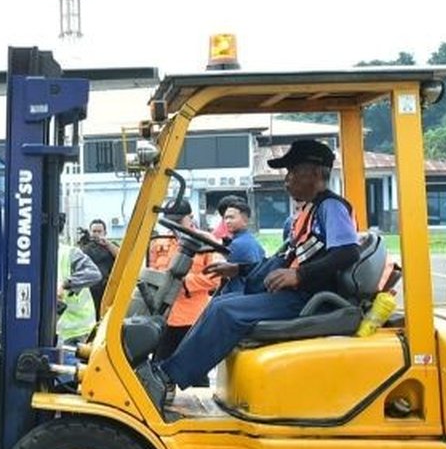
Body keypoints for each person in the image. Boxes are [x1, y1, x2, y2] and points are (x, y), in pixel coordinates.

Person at [153, 140, 358, 400]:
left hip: (310, 299)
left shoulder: (331, 207)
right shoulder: (309, 210)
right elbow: (284, 259)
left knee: (226, 311)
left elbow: (348, 252)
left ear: (316, 173)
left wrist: (299, 275)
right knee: (220, 303)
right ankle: (168, 372)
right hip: (298, 294)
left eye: (292, 172)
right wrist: (238, 269)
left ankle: (167, 378)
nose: (287, 180)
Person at [146, 201, 218, 360]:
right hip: (163, 316)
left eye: (179, 221)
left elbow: (216, 278)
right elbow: (152, 274)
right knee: (158, 363)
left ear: (190, 217)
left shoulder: (206, 242)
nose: (175, 226)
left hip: (192, 317)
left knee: (192, 364)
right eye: (171, 222)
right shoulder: (159, 242)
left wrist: (184, 283)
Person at [207, 200, 267, 292]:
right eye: (225, 218)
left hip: (240, 291)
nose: (227, 221)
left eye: (231, 218)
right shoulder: (251, 240)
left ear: (245, 221)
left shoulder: (238, 244)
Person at [56, 242, 102, 346]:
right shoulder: (36, 258)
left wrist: (65, 284)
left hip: (78, 330)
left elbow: (94, 274)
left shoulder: (69, 253)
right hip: (57, 330)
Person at [78, 219, 120, 318]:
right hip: (90, 289)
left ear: (105, 232)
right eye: (94, 231)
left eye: (99, 231)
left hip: (107, 287)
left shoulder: (111, 246)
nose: (96, 234)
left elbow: (121, 257)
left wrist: (107, 244)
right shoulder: (85, 247)